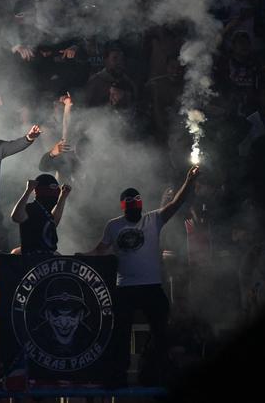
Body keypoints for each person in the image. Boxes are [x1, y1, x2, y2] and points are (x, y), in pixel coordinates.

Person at [78, 165, 201, 386]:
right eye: (130, 209)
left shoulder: (153, 219)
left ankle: (156, 371)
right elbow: (99, 250)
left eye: (136, 208)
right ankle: (119, 375)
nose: (134, 213)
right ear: (124, 208)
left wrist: (189, 181)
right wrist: (81, 256)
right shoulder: (114, 225)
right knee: (120, 333)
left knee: (161, 330)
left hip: (151, 286)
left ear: (141, 206)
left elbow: (176, 203)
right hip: (125, 287)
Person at [10, 174, 71, 255]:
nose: (52, 200)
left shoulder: (46, 210)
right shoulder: (31, 208)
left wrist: (63, 197)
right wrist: (28, 191)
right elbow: (16, 217)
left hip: (48, 254)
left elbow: (53, 223)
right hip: (31, 255)